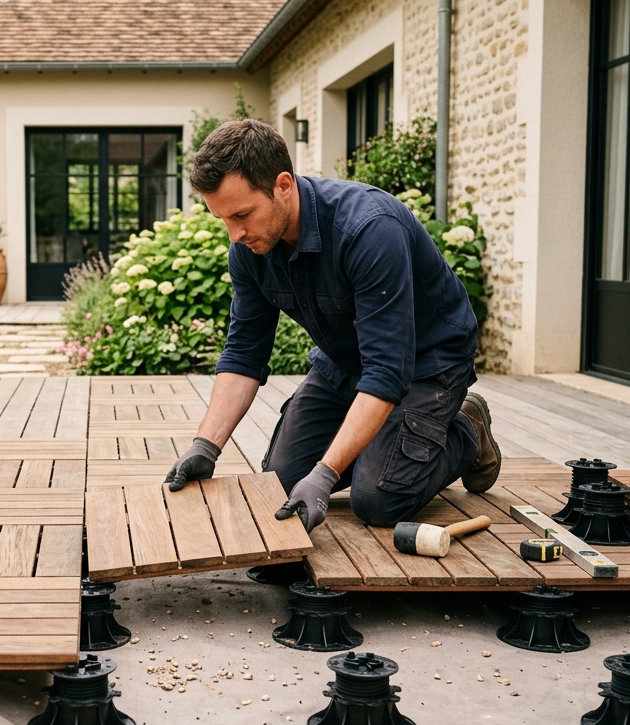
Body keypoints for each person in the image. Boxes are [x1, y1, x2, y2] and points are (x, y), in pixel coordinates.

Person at [164, 119, 502, 534]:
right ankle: (389, 444)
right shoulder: (250, 247)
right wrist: (206, 446)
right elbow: (244, 353)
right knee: (279, 485)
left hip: (427, 362)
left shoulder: (369, 229)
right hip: (345, 360)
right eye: (224, 220)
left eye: (243, 215)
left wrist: (326, 474)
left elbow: (387, 370)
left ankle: (466, 426)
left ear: (283, 185)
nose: (235, 234)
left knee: (378, 499)